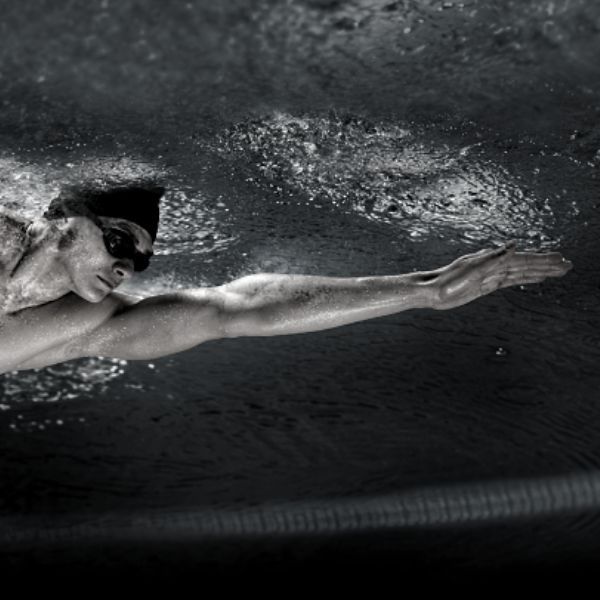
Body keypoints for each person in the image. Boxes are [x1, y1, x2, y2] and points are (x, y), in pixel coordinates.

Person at [0, 185, 572, 375]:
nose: (125, 270)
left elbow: (233, 309)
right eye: (121, 243)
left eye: (139, 262)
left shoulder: (78, 323)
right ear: (69, 221)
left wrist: (426, 290)